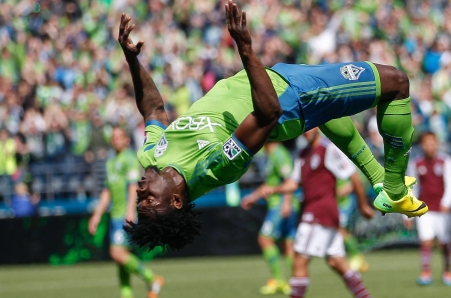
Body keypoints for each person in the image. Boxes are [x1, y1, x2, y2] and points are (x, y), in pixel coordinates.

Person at [120, 0, 427, 251]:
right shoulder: (214, 168)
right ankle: (394, 188)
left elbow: (154, 110)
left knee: (331, 110)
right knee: (396, 82)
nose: (141, 189)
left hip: (280, 78)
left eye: (140, 197)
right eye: (149, 199)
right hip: (292, 98)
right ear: (175, 201)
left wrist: (132, 60)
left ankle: (378, 179)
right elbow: (268, 113)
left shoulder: (151, 157)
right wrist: (245, 50)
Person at [262, 128, 373, 298]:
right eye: (304, 129)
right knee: (336, 261)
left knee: (299, 259)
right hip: (318, 213)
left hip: (320, 212)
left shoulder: (329, 149)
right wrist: (274, 189)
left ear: (319, 127)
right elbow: (293, 183)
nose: (307, 131)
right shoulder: (303, 154)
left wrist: (363, 205)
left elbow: (354, 177)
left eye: (311, 127)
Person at [88, 127, 164, 298]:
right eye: (113, 137)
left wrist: (130, 211)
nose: (115, 140)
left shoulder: (129, 159)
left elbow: (132, 186)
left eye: (119, 137)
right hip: (114, 215)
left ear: (126, 140)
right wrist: (97, 214)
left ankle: (152, 278)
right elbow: (107, 192)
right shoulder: (110, 162)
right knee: (122, 260)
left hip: (124, 214)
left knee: (116, 253)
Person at [241, 141, 299, 295]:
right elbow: (269, 184)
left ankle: (279, 279)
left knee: (265, 239)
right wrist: (253, 197)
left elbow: (290, 181)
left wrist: (286, 203)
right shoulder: (270, 154)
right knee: (288, 244)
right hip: (281, 203)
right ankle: (296, 282)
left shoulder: (279, 153)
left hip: (281, 204)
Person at [405, 131, 451, 286]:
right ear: (422, 145)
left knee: (444, 243)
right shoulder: (416, 163)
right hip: (425, 209)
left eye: (432, 142)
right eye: (426, 143)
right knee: (426, 241)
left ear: (437, 143)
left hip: (443, 210)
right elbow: (412, 188)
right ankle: (426, 272)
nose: (429, 146)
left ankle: (448, 271)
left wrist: (447, 203)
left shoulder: (446, 161)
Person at [335, 179, 369, 272]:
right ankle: (358, 259)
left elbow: (357, 182)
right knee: (340, 231)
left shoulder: (347, 165)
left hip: (344, 204)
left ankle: (357, 257)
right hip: (334, 204)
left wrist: (343, 190)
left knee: (340, 230)